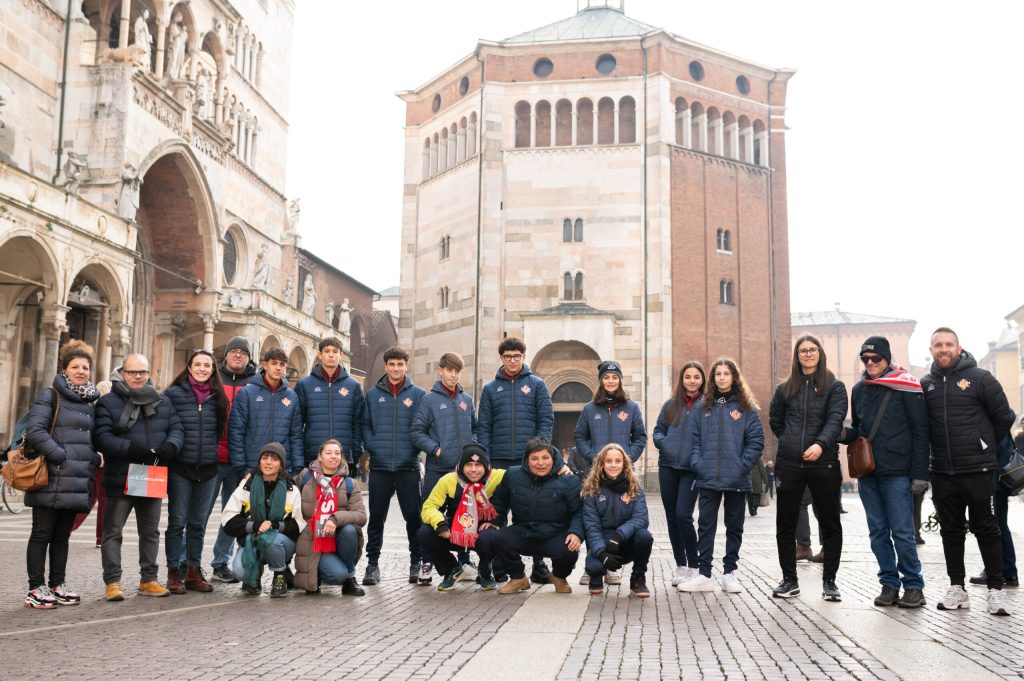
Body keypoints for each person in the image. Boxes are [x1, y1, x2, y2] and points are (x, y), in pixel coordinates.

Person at [922, 327, 1015, 616]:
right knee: (951, 531)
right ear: (931, 350)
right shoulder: (926, 384)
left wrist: (983, 445)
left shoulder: (980, 378)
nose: (944, 348)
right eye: (938, 345)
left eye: (949, 344)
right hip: (942, 471)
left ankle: (995, 591)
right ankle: (957, 588)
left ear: (958, 347)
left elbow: (1004, 417)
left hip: (978, 468)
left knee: (986, 528)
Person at [839, 336, 929, 608]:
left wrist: (920, 474)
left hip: (897, 472)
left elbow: (920, 431)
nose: (870, 363)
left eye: (875, 358)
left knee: (902, 532)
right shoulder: (858, 389)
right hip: (869, 472)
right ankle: (889, 583)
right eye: (865, 359)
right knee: (877, 532)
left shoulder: (907, 386)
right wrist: (839, 433)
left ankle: (914, 586)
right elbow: (860, 430)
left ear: (886, 359)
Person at [94, 354, 184, 601]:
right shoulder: (108, 402)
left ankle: (149, 579)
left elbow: (176, 429)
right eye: (132, 372)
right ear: (122, 373)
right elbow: (101, 437)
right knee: (113, 531)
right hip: (121, 474)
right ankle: (112, 581)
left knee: (151, 531)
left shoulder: (162, 401)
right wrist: (130, 449)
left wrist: (170, 447)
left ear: (148, 374)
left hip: (151, 474)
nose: (138, 377)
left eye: (142, 372)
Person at [23, 340, 101, 608]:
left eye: (85, 367)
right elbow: (35, 431)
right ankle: (35, 588)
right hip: (50, 475)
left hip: (76, 478)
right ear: (65, 369)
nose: (81, 371)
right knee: (42, 533)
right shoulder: (50, 395)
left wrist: (90, 459)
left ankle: (57, 583)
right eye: (75, 366)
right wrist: (60, 455)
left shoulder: (89, 401)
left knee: (62, 536)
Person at [768, 335, 847, 602]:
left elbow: (835, 420)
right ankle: (789, 580)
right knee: (785, 524)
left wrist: (820, 445)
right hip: (790, 464)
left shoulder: (834, 387)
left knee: (829, 521)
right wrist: (791, 443)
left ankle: (830, 581)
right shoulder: (784, 389)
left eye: (812, 350)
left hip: (823, 463)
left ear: (820, 353)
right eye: (803, 351)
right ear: (797, 355)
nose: (808, 354)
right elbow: (775, 421)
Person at [678, 358, 764, 594]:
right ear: (713, 378)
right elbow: (694, 441)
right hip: (707, 477)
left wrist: (741, 465)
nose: (722, 377)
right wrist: (698, 464)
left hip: (736, 478)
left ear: (734, 377)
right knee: (706, 525)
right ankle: (704, 574)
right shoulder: (702, 408)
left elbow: (756, 442)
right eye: (718, 374)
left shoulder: (747, 408)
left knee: (734, 526)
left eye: (727, 373)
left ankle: (729, 573)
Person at [477, 337, 554, 584]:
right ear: (501, 358)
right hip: (498, 459)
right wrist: (486, 459)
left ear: (523, 357)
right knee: (497, 513)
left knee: (533, 511)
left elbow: (546, 420)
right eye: (508, 356)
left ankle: (539, 564)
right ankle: (500, 564)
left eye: (517, 356)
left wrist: (539, 454)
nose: (513, 360)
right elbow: (484, 426)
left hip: (527, 460)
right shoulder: (490, 389)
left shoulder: (537, 385)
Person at [573, 360, 646, 585]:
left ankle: (612, 567)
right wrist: (595, 458)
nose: (611, 381)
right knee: (595, 518)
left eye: (615, 377)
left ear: (620, 380)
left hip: (622, 475)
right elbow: (579, 436)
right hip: (597, 474)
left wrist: (626, 459)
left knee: (618, 514)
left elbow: (641, 437)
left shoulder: (631, 408)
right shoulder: (589, 408)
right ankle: (591, 564)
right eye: (607, 377)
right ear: (601, 381)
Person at [162, 349, 229, 594]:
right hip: (181, 468)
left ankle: (192, 571)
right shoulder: (173, 394)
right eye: (197, 364)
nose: (202, 369)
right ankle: (173, 572)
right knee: (177, 522)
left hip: (209, 469)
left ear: (213, 370)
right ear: (189, 367)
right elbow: (165, 425)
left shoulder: (218, 396)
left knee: (198, 524)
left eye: (207, 365)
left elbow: (219, 430)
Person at [360, 346, 426, 586]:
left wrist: (413, 450)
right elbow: (365, 425)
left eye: (400, 364)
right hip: (380, 467)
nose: (396, 369)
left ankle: (416, 562)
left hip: (408, 467)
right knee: (377, 518)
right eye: (392, 365)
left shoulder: (418, 395)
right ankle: (372, 564)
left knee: (413, 517)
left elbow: (422, 427)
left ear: (406, 366)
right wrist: (373, 445)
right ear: (386, 366)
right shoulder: (372, 395)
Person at [410, 352, 477, 585]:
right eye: (449, 370)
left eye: (457, 371)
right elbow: (417, 432)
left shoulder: (466, 400)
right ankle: (428, 562)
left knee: (464, 516)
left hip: (463, 472)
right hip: (438, 470)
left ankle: (465, 559)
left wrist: (472, 454)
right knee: (431, 515)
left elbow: (475, 429)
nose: (453, 375)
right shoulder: (429, 400)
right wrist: (436, 450)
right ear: (440, 370)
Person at [490, 437, 583, 594]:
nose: (541, 463)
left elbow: (579, 512)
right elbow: (499, 502)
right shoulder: (512, 475)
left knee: (570, 547)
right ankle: (518, 577)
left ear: (553, 459)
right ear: (527, 460)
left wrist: (576, 533)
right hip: (524, 532)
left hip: (555, 534)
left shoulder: (569, 480)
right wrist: (494, 522)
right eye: (535, 458)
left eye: (545, 458)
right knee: (497, 537)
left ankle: (559, 576)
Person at [222, 443, 303, 597]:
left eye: (274, 459)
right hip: (251, 540)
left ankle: (280, 575)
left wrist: (275, 526)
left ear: (281, 465)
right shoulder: (246, 486)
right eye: (264, 458)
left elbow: (299, 525)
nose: (268, 462)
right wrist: (255, 526)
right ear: (259, 462)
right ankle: (254, 576)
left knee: (271, 538)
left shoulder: (291, 490)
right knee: (239, 572)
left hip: (281, 543)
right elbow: (228, 520)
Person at [418, 444, 503, 591]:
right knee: (425, 533)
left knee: (493, 537)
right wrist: (440, 523)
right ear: (461, 466)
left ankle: (485, 571)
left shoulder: (498, 477)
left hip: (482, 532)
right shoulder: (448, 480)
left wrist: (557, 469)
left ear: (486, 466)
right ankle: (452, 569)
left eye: (478, 464)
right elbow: (429, 507)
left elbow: (523, 474)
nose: (474, 469)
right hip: (455, 531)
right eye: (469, 465)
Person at [653, 361, 705, 587]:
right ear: (682, 380)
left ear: (702, 379)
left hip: (691, 470)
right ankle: (680, 565)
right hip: (667, 466)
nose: (692, 381)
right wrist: (665, 444)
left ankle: (694, 565)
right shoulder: (670, 405)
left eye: (696, 377)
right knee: (672, 518)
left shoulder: (707, 405)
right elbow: (657, 431)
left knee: (684, 515)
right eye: (687, 377)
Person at [209, 337, 257, 583]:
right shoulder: (212, 379)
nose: (238, 355)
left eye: (243, 352)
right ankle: (188, 563)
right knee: (200, 515)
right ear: (226, 355)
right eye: (234, 351)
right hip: (212, 458)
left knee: (232, 515)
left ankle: (220, 563)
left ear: (249, 357)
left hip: (239, 461)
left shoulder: (254, 384)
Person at [293, 440, 367, 595]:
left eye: (337, 453)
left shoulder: (349, 484)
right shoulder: (305, 477)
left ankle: (350, 579)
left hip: (337, 540)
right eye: (328, 453)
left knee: (350, 530)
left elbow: (361, 516)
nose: (333, 457)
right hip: (312, 539)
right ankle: (316, 573)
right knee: (337, 574)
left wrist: (335, 519)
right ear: (319, 456)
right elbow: (285, 487)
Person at [580, 443, 652, 597]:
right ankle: (596, 576)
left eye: (618, 461)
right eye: (608, 461)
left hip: (625, 541)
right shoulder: (592, 489)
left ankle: (638, 578)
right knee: (594, 567)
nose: (613, 465)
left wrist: (620, 535)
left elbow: (641, 518)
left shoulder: (634, 487)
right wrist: (601, 553)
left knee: (645, 536)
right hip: (603, 544)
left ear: (624, 464)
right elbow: (591, 527)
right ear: (601, 463)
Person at [228, 347, 303, 480]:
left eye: (282, 364)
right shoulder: (247, 393)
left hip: (282, 468)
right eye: (274, 363)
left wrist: (297, 468)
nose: (278, 368)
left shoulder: (292, 396)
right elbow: (236, 432)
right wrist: (240, 467)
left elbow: (295, 435)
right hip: (252, 467)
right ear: (264, 365)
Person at [296, 337, 364, 469]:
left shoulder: (354, 386)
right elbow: (297, 424)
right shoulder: (305, 385)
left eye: (335, 351)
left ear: (341, 355)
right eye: (327, 351)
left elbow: (358, 423)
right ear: (320, 355)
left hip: (343, 458)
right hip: (313, 457)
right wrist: (301, 454)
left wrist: (355, 453)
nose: (331, 355)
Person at [969, 435, 1019, 589]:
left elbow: (993, 449)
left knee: (995, 525)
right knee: (999, 524)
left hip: (995, 481)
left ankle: (1001, 570)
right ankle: (1008, 571)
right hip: (998, 480)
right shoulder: (1000, 421)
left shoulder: (996, 422)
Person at [70, 379, 111, 548]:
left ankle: (68, 528)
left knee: (90, 497)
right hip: (102, 461)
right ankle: (101, 538)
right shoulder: (104, 412)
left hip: (91, 460)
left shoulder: (89, 410)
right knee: (103, 499)